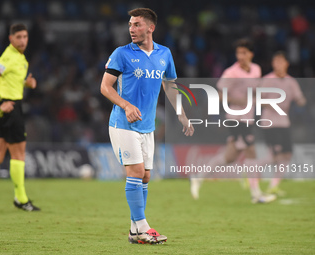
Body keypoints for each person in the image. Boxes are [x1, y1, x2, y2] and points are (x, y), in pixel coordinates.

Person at [101, 8, 194, 244]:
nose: (132, 29)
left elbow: (170, 86)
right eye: (130, 24)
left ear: (151, 27)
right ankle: (143, 227)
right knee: (135, 173)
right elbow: (105, 87)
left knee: (145, 177)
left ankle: (134, 232)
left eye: (137, 25)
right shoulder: (122, 54)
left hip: (147, 127)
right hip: (123, 124)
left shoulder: (165, 54)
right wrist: (125, 105)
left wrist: (181, 114)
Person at [190, 38, 276, 204]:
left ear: (251, 54)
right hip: (235, 119)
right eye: (238, 52)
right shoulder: (231, 73)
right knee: (251, 152)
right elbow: (220, 95)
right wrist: (240, 102)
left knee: (230, 156)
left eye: (244, 52)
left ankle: (198, 176)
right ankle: (256, 195)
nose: (240, 56)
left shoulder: (256, 70)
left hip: (248, 119)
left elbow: (254, 92)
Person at [0, 23, 40, 211]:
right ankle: (21, 198)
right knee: (18, 154)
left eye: (25, 37)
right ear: (11, 39)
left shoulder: (19, 58)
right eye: (18, 37)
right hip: (10, 108)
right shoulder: (9, 56)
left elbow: (9, 82)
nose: (22, 41)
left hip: (1, 109)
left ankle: (21, 198)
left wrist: (26, 84)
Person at [261, 51, 306, 196]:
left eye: (281, 61)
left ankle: (274, 185)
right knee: (274, 156)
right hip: (270, 122)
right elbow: (258, 99)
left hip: (284, 122)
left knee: (287, 155)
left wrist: (300, 101)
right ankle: (250, 168)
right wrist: (273, 105)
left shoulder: (291, 81)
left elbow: (300, 98)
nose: (278, 65)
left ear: (286, 63)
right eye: (275, 62)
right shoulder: (267, 80)